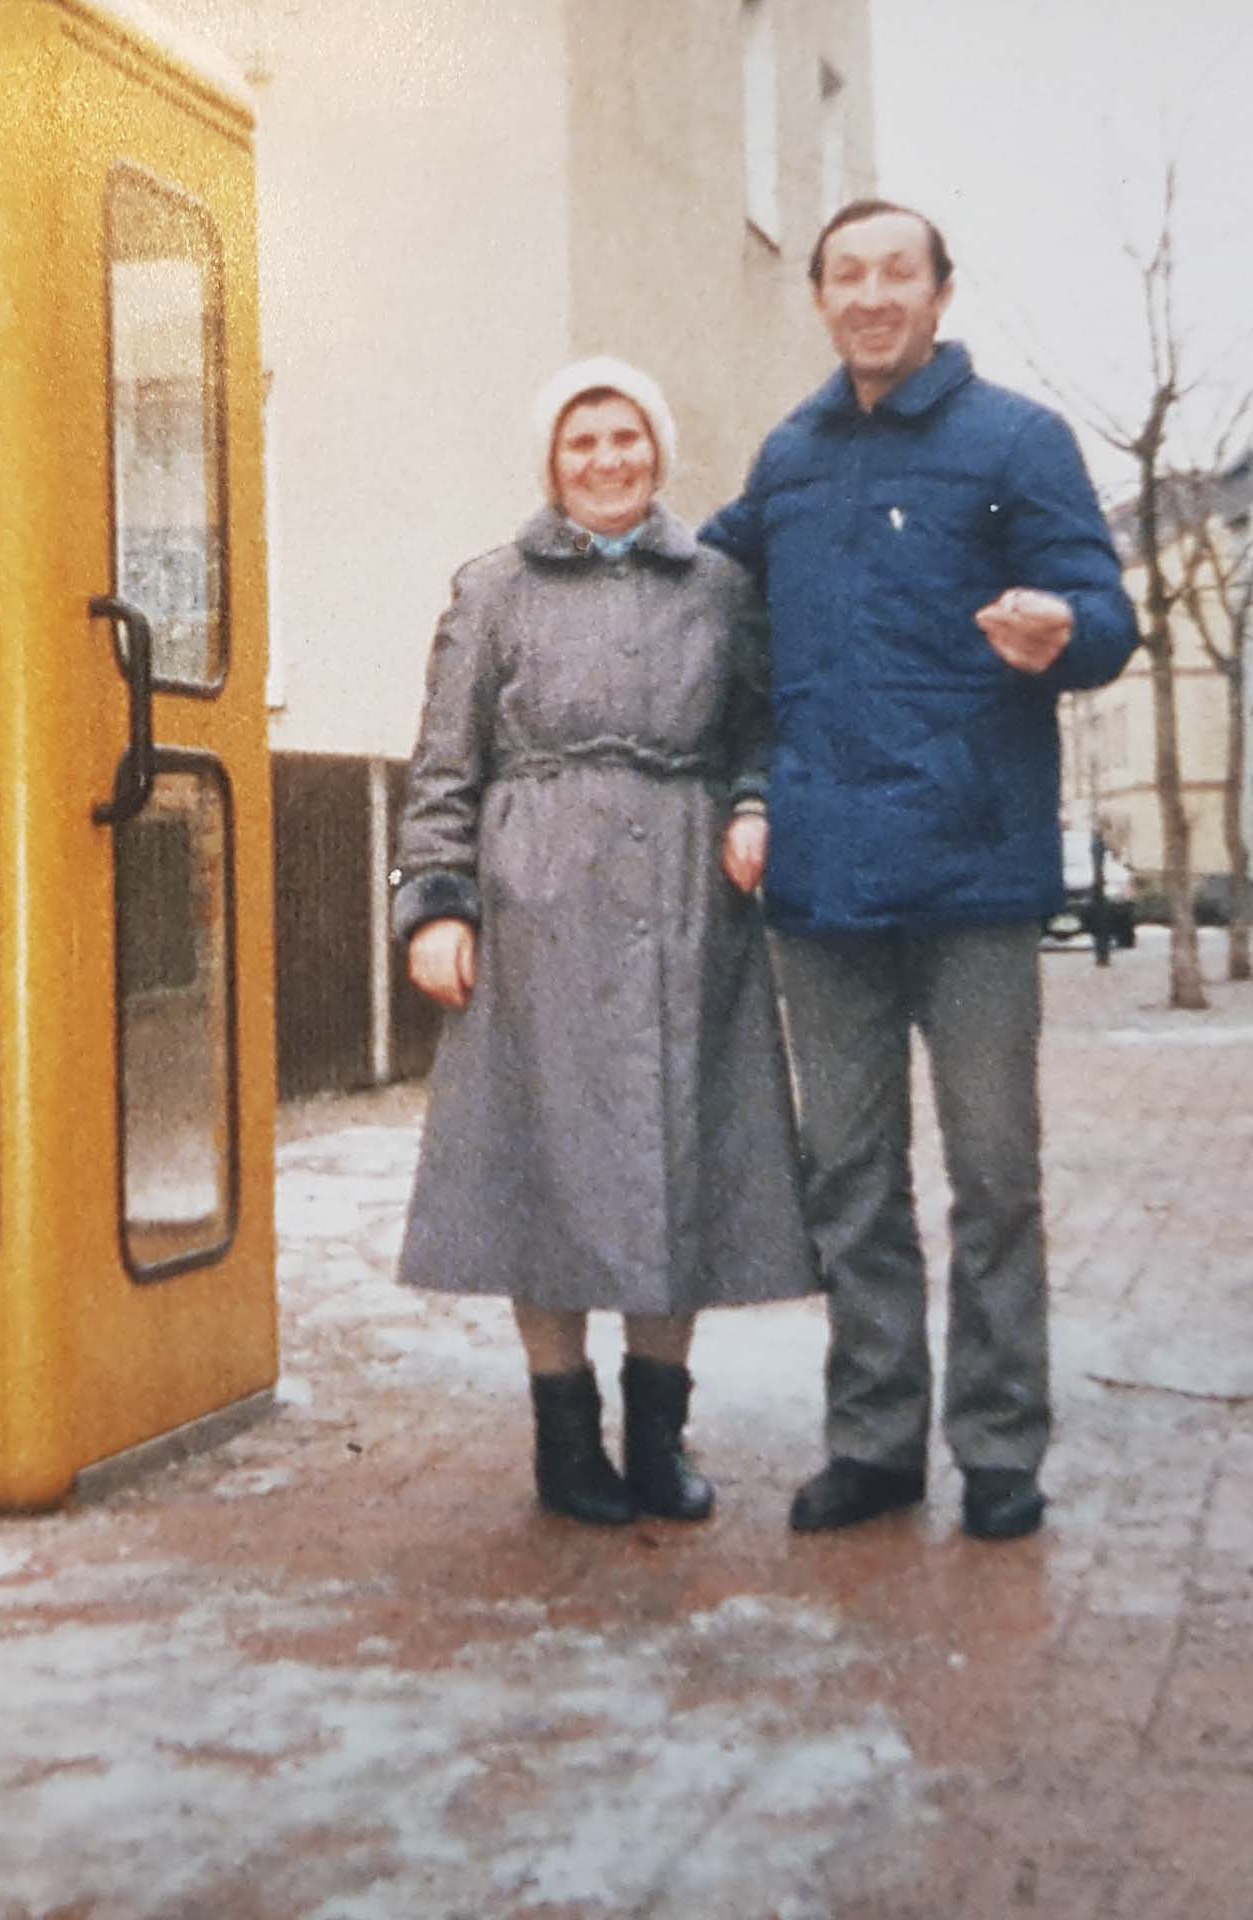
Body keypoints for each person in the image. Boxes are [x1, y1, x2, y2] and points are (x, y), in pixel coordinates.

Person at [702, 200, 1140, 1541]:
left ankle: (1000, 1449)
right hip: (824, 879)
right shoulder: (790, 457)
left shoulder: (1016, 442)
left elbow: (1105, 613)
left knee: (995, 1179)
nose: (873, 294)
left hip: (975, 873)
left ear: (941, 294)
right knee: (850, 1179)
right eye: (848, 274)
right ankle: (875, 1441)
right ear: (821, 298)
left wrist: (1066, 627)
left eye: (900, 272)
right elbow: (710, 601)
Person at [390, 356, 818, 1529]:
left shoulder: (720, 586)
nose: (607, 459)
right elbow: (444, 762)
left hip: (689, 907)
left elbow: (761, 728)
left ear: (658, 452)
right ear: (550, 463)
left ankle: (659, 1440)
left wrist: (755, 802)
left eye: (626, 437)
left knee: (678, 1155)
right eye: (581, 442)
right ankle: (566, 1438)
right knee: (547, 1160)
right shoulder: (493, 589)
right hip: (536, 908)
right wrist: (437, 904)